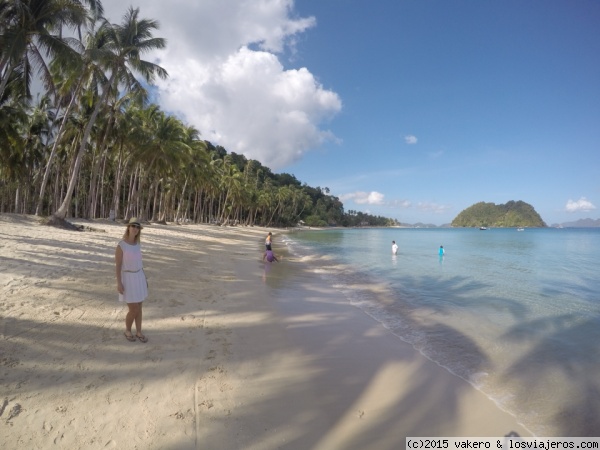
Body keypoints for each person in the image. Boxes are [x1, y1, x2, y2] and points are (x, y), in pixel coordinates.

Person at [115, 217, 149, 343]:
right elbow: (118, 265)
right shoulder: (121, 245)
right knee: (133, 308)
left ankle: (139, 331)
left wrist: (144, 279)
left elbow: (140, 263)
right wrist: (119, 282)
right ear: (128, 227)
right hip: (127, 278)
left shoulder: (137, 244)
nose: (135, 229)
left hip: (139, 276)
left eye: (137, 227)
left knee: (139, 307)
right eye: (133, 226)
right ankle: (128, 330)